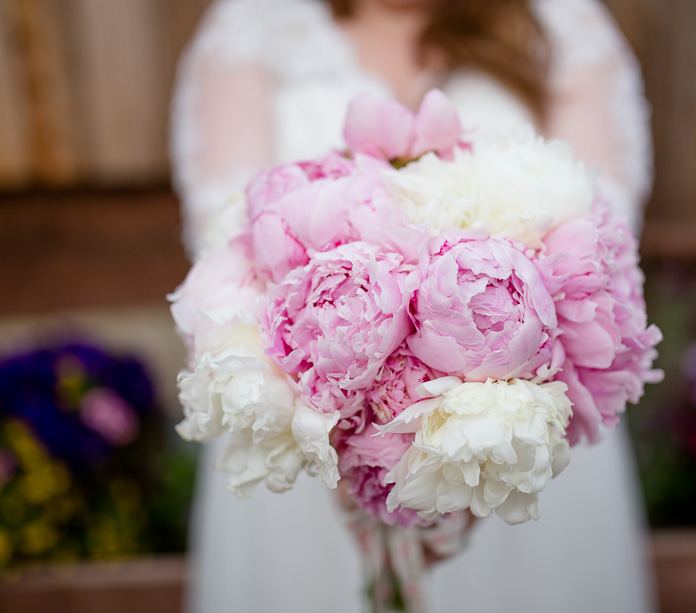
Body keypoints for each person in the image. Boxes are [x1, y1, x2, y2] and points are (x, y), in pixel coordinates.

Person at [170, 0, 656, 611]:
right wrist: (358, 406)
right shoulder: (256, 24)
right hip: (314, 413)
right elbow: (226, 234)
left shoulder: (561, 22)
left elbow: (602, 229)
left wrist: (472, 413)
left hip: (520, 410)